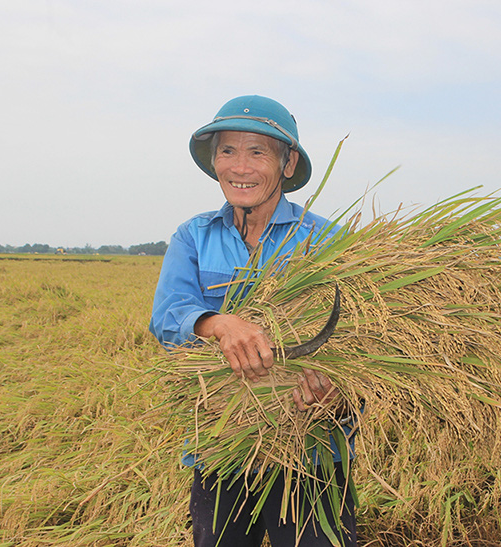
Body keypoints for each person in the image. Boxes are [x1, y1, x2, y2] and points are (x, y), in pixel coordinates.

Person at [149, 95, 357, 547]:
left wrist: (335, 380)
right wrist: (218, 323)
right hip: (222, 445)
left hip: (312, 451)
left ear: (288, 163)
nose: (239, 166)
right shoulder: (194, 236)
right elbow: (168, 316)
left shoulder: (327, 241)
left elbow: (365, 336)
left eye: (257, 152)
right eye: (227, 150)